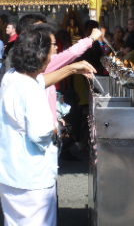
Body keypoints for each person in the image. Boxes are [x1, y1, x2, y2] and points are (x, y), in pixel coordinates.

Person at [0, 28, 96, 226]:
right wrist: (56, 127)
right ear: (41, 54)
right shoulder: (31, 89)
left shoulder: (11, 77)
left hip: (10, 173)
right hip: (32, 177)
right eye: (53, 48)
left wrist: (72, 68)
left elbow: (41, 81)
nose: (54, 55)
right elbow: (41, 132)